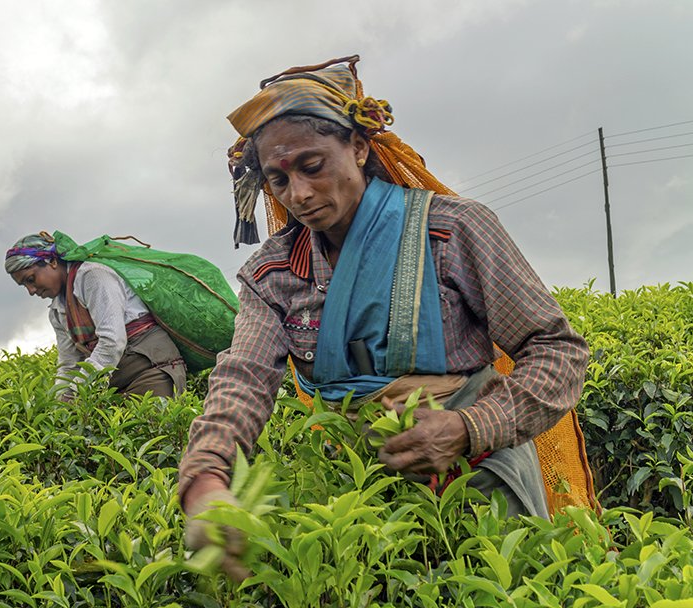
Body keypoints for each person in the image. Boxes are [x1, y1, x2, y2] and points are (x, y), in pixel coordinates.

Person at [178, 55, 589, 576]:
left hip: (480, 481)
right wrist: (207, 477)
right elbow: (243, 378)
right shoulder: (273, 273)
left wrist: (468, 426)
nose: (298, 194)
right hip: (359, 500)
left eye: (312, 166)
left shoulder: (451, 232)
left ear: (359, 146)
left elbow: (557, 351)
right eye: (278, 180)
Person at [5, 232, 186, 399]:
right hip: (115, 382)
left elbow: (112, 340)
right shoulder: (57, 311)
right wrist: (59, 403)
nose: (31, 290)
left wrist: (76, 390)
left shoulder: (92, 276)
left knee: (150, 422)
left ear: (52, 261)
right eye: (24, 285)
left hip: (152, 369)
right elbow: (69, 363)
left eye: (31, 279)